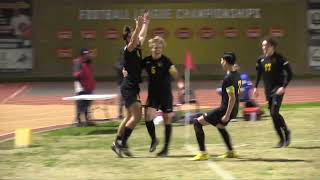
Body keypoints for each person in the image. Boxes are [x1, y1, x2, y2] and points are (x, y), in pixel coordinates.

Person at [111, 12, 150, 157]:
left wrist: (145, 23)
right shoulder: (129, 49)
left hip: (133, 86)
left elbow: (141, 37)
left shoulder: (137, 46)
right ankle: (122, 144)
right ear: (127, 39)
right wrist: (138, 26)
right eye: (133, 34)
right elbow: (134, 40)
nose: (137, 36)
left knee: (128, 117)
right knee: (136, 115)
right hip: (128, 86)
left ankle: (117, 143)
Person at [190, 52, 241, 161]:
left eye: (222, 60)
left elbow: (232, 98)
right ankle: (231, 152)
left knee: (197, 122)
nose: (221, 62)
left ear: (226, 62)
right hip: (235, 109)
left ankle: (203, 153)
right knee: (220, 126)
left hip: (225, 109)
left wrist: (226, 115)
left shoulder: (228, 78)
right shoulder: (237, 74)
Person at [141, 36, 179, 157]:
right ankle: (154, 139)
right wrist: (127, 71)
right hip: (153, 95)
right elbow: (136, 69)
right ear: (151, 48)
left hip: (166, 95)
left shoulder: (166, 61)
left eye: (159, 47)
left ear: (162, 48)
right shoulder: (146, 61)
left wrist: (178, 79)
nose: (157, 49)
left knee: (167, 119)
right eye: (155, 47)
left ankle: (165, 149)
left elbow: (174, 71)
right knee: (147, 117)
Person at [253, 37, 293, 148]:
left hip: (278, 89)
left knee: (274, 112)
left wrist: (283, 87)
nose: (263, 47)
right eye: (262, 45)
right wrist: (255, 88)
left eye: (265, 45)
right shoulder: (260, 60)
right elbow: (258, 74)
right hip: (268, 91)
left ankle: (286, 132)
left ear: (272, 46)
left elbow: (290, 74)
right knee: (272, 115)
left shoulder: (280, 59)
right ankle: (281, 140)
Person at [73, 48, 96, 127]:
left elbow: (90, 74)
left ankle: (87, 120)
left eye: (88, 54)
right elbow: (76, 75)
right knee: (80, 104)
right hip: (81, 87)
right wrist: (79, 87)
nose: (87, 55)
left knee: (87, 104)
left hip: (89, 87)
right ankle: (79, 121)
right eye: (85, 54)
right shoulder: (78, 62)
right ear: (82, 55)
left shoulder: (88, 62)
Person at [114, 47, 125, 119]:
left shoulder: (129, 61)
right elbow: (117, 67)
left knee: (129, 99)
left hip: (129, 83)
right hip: (121, 83)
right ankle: (120, 115)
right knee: (121, 99)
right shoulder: (120, 61)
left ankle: (129, 114)